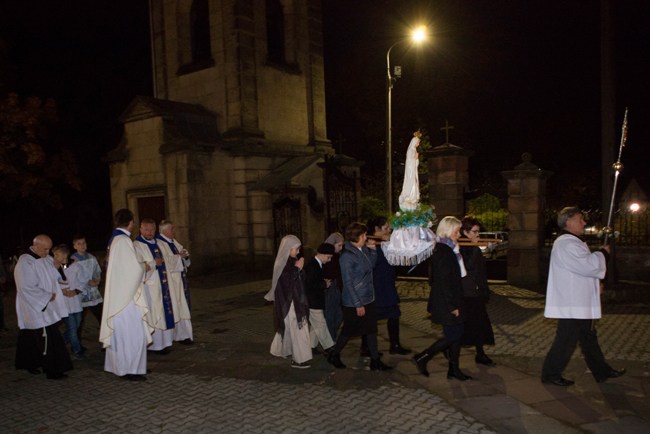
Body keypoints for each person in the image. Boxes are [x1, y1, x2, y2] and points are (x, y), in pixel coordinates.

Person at [541, 206, 626, 386]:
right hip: (573, 303)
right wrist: (603, 253)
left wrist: (596, 284)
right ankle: (550, 375)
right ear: (568, 221)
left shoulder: (573, 242)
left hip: (579, 301)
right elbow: (587, 265)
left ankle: (601, 371)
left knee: (588, 338)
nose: (584, 223)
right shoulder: (566, 243)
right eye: (580, 219)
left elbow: (581, 271)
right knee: (566, 340)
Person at [413, 216, 473, 381]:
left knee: (456, 335)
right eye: (456, 231)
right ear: (448, 231)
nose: (459, 235)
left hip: (452, 299)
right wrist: (453, 305)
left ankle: (453, 370)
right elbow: (445, 282)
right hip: (448, 302)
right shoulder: (444, 251)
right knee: (453, 335)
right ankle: (423, 356)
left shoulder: (449, 249)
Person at [327, 222, 392, 371]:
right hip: (353, 301)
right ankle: (334, 354)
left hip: (368, 297)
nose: (365, 237)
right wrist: (358, 304)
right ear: (356, 237)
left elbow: (371, 266)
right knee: (348, 330)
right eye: (363, 235)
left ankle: (375, 360)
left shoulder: (362, 249)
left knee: (371, 330)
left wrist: (372, 250)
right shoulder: (347, 256)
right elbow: (348, 282)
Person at [100, 209, 152, 381]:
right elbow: (133, 269)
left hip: (120, 294)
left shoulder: (115, 240)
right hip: (126, 298)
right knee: (132, 334)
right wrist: (144, 266)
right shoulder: (123, 241)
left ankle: (124, 367)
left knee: (122, 334)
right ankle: (130, 369)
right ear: (130, 222)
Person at [14, 235, 73, 379]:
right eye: (45, 249)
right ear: (36, 246)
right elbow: (26, 288)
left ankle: (31, 363)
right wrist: (46, 297)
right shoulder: (25, 263)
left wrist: (60, 286)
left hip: (46, 305)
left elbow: (53, 277)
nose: (48, 252)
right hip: (35, 307)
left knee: (32, 337)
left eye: (49, 249)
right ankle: (52, 369)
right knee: (46, 338)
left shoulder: (44, 258)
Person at [362, 216, 410, 356]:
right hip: (376, 286)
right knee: (371, 319)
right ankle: (366, 347)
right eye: (386, 228)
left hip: (387, 284)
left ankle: (394, 344)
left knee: (394, 314)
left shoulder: (387, 243)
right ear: (377, 229)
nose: (389, 230)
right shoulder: (370, 244)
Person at [268, 235, 312, 368]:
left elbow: (301, 279)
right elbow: (286, 283)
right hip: (290, 303)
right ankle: (299, 359)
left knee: (294, 329)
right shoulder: (282, 263)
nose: (298, 252)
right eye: (296, 249)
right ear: (288, 248)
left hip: (296, 301)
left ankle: (289, 352)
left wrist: (299, 269)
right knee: (297, 329)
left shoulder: (292, 260)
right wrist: (298, 269)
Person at [134, 218, 175, 354]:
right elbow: (136, 267)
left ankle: (165, 342)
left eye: (152, 229)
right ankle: (155, 345)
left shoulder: (159, 243)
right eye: (146, 229)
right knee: (154, 314)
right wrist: (153, 263)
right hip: (149, 286)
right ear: (140, 230)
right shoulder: (137, 245)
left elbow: (168, 259)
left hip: (162, 283)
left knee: (163, 312)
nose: (149, 232)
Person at [459, 217, 496, 366]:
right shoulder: (461, 246)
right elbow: (466, 267)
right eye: (474, 231)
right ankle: (447, 347)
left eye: (478, 231)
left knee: (479, 324)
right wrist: (475, 248)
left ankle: (480, 354)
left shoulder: (471, 246)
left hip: (476, 291)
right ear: (465, 232)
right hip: (467, 293)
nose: (477, 234)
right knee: (466, 325)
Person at [156, 220, 193, 345]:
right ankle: (171, 337)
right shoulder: (159, 243)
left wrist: (185, 256)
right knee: (174, 308)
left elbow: (182, 251)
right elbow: (165, 261)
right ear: (165, 231)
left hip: (180, 280)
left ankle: (183, 335)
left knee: (182, 307)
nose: (174, 232)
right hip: (170, 282)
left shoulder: (172, 241)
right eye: (172, 229)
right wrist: (179, 257)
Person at [51, 244, 85, 360]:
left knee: (76, 326)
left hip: (76, 301)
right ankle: (77, 350)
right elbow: (51, 284)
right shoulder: (51, 267)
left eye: (64, 256)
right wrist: (62, 291)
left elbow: (82, 280)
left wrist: (76, 291)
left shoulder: (75, 265)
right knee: (72, 328)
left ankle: (60, 343)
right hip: (64, 303)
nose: (61, 259)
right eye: (57, 255)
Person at [70, 235, 103, 349]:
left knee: (101, 316)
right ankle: (77, 344)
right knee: (79, 320)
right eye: (79, 244)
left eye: (83, 243)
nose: (82, 246)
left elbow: (97, 270)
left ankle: (105, 341)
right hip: (81, 293)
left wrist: (97, 280)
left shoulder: (92, 257)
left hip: (93, 293)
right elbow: (72, 276)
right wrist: (87, 282)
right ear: (74, 246)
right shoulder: (72, 259)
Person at [304, 243, 335, 355]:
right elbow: (309, 284)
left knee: (315, 326)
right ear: (321, 254)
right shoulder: (312, 266)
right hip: (312, 301)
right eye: (329, 257)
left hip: (315, 300)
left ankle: (311, 347)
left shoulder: (317, 264)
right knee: (321, 324)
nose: (330, 260)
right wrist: (324, 284)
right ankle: (329, 347)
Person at [322, 232, 344, 341]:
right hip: (330, 289)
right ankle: (330, 341)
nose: (340, 248)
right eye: (339, 245)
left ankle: (329, 338)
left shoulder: (338, 256)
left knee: (338, 314)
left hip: (337, 288)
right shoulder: (327, 257)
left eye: (341, 246)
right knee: (331, 316)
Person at [398, 131, 421, 211]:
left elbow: (415, 163)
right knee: (411, 182)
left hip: (413, 170)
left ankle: (413, 198)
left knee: (414, 183)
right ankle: (409, 197)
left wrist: (417, 159)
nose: (418, 144)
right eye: (418, 142)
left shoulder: (414, 150)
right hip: (410, 170)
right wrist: (415, 158)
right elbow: (409, 161)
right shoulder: (411, 150)